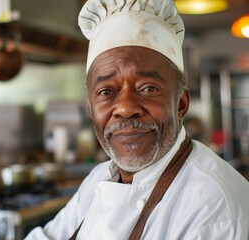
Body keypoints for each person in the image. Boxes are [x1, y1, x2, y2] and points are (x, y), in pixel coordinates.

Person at [25, 0, 249, 239]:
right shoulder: (100, 178)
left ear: (181, 103)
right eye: (106, 91)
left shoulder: (215, 208)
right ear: (91, 109)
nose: (125, 108)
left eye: (148, 88)